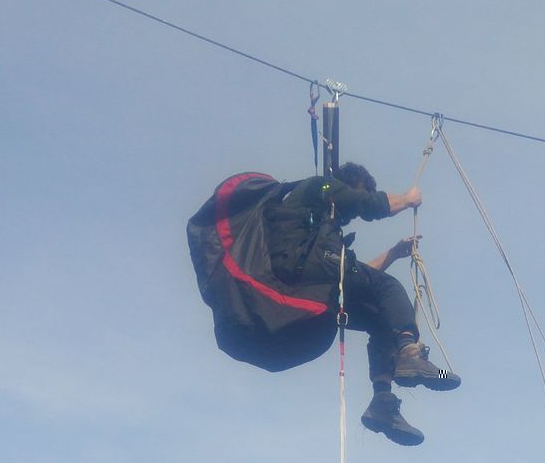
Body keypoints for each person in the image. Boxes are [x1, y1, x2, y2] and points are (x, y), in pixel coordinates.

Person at [186, 160, 461, 446]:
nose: (351, 216)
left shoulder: (318, 226)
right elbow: (369, 205)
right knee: (389, 287)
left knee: (380, 318)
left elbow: (354, 279)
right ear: (353, 184)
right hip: (306, 269)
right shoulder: (322, 186)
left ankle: (383, 402)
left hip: (309, 281)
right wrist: (407, 199)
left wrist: (392, 253)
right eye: (359, 191)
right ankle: (411, 352)